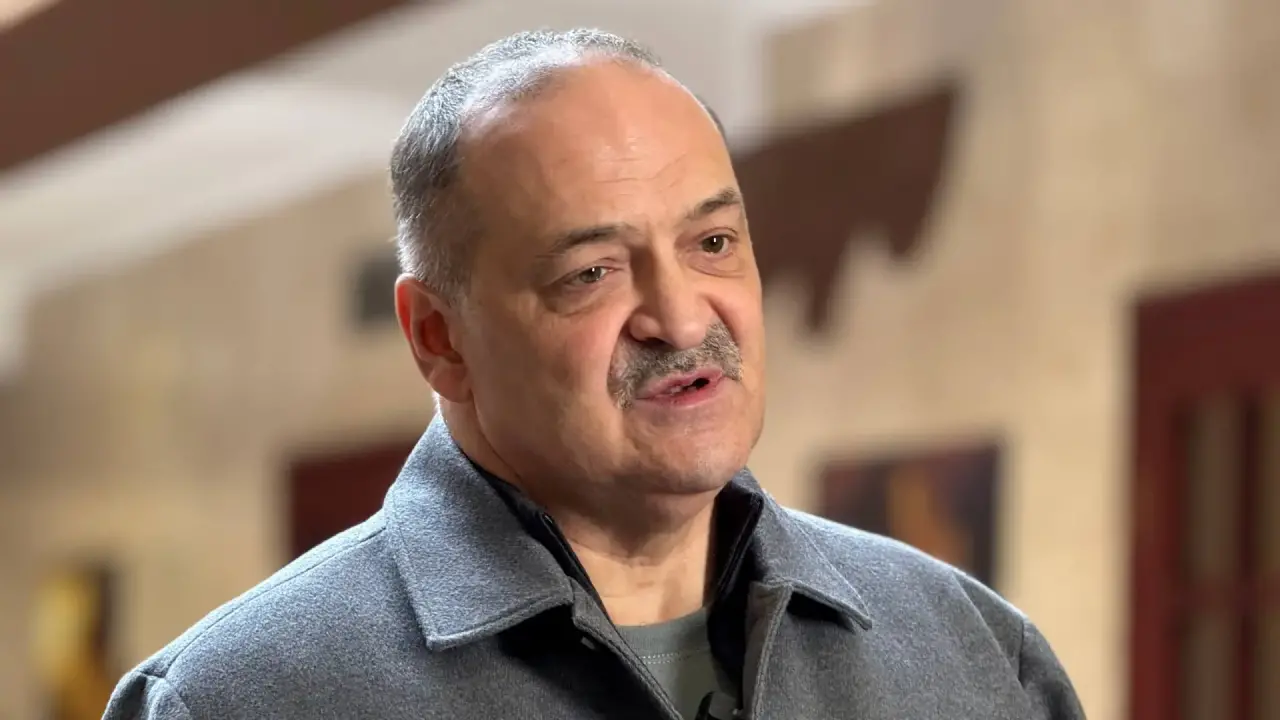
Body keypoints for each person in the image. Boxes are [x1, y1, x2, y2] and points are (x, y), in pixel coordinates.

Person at [103, 28, 1085, 720]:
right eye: (591, 273)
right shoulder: (236, 700)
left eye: (711, 243)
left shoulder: (974, 656)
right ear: (438, 337)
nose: (681, 318)